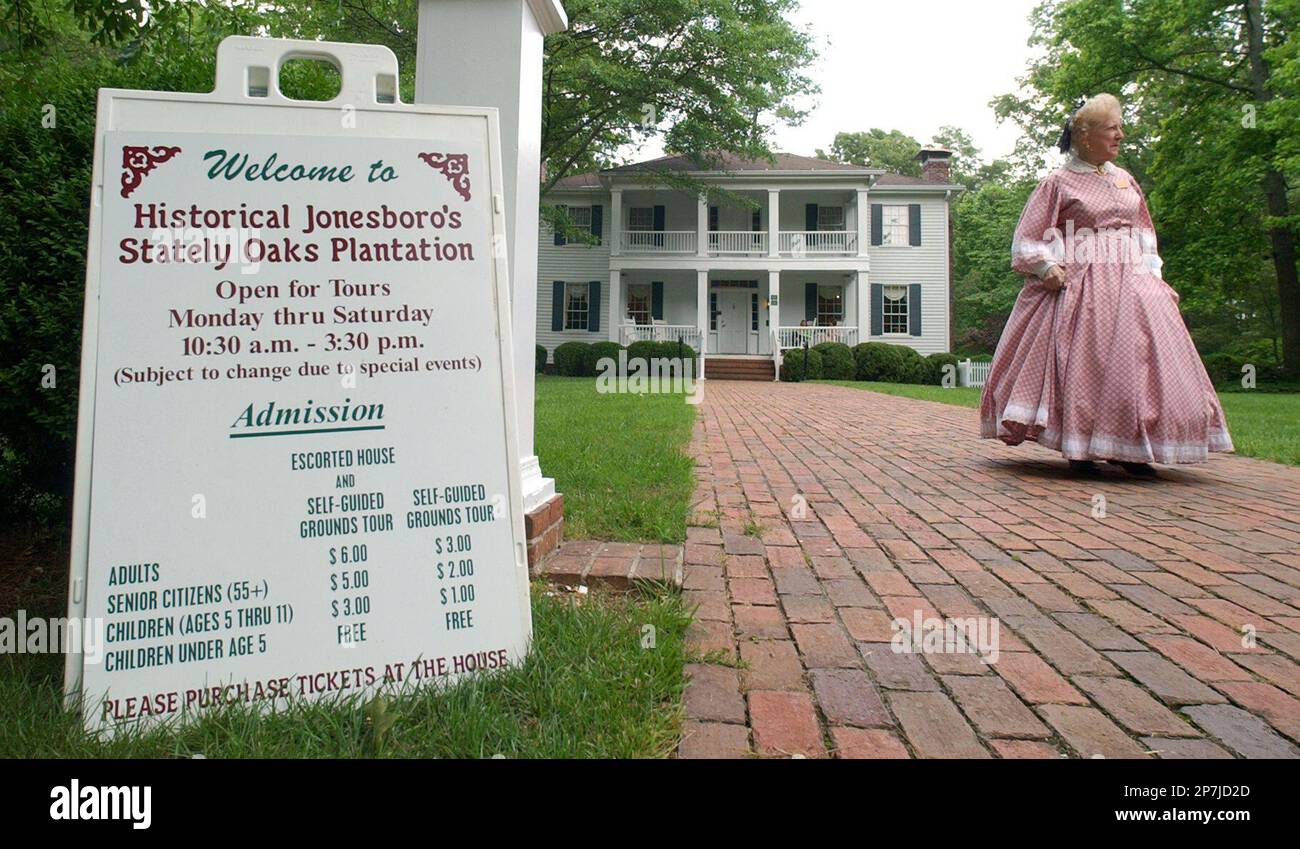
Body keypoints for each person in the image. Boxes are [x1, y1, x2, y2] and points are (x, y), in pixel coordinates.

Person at [979, 93, 1232, 475]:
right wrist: (1045, 266)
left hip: (1133, 281)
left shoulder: (1125, 180)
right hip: (1082, 283)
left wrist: (1154, 274)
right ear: (1085, 135)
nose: (1120, 135)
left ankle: (1127, 448)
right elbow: (1029, 235)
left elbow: (1144, 231)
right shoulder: (1058, 182)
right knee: (1087, 360)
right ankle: (1080, 448)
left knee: (1138, 361)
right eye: (1112, 129)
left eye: (1120, 128)